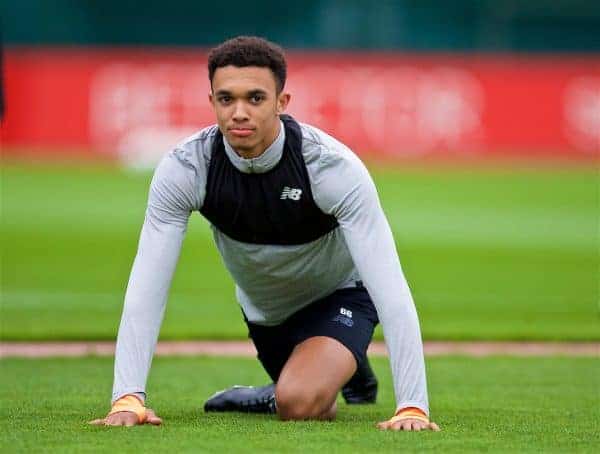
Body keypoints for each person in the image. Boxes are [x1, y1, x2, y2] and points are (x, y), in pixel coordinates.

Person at [90, 36, 439, 432]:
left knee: (299, 401)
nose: (239, 112)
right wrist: (128, 397)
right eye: (226, 99)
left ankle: (305, 376)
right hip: (266, 314)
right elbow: (147, 287)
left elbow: (390, 286)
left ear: (282, 102)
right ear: (211, 102)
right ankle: (343, 369)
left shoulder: (330, 167)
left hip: (341, 295)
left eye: (255, 98)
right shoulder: (187, 168)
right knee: (308, 401)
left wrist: (413, 406)